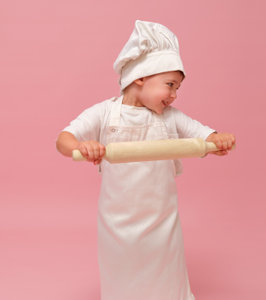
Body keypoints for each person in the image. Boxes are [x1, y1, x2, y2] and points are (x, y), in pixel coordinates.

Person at [56, 20, 235, 300]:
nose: (174, 95)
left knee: (166, 279)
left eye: (177, 88)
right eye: (170, 85)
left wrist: (218, 139)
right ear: (141, 76)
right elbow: (64, 140)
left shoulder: (171, 117)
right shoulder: (104, 113)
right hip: (118, 222)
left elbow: (206, 136)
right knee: (123, 278)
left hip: (161, 221)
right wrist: (83, 145)